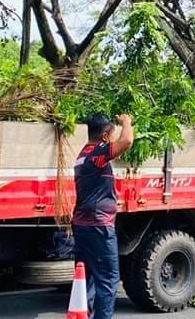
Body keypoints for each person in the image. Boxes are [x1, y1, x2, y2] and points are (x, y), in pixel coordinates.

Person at [73, 114, 134, 319]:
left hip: (83, 225)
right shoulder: (96, 154)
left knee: (88, 277)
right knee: (108, 280)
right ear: (106, 137)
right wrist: (126, 122)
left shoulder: (82, 154)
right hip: (98, 225)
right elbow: (127, 141)